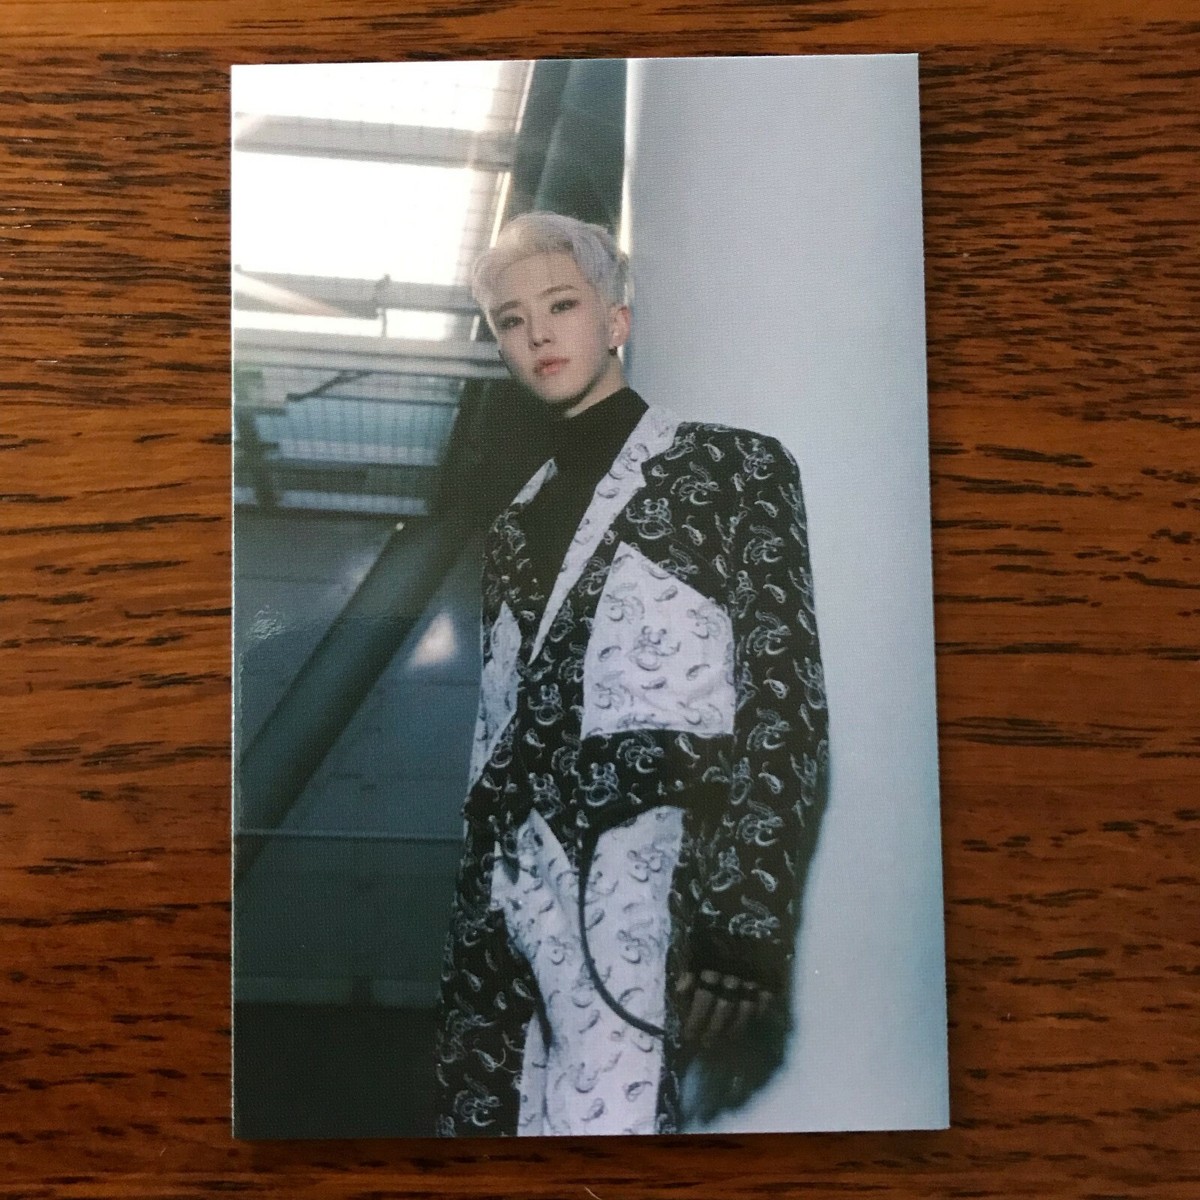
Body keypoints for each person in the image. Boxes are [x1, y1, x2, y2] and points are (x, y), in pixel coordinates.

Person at [433, 211, 828, 1137]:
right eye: (511, 320)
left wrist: (743, 920)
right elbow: (494, 734)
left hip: (644, 882)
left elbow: (785, 703)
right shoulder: (513, 524)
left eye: (562, 305)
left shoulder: (730, 468)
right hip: (501, 904)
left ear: (616, 319)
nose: (537, 333)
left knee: (616, 1132)